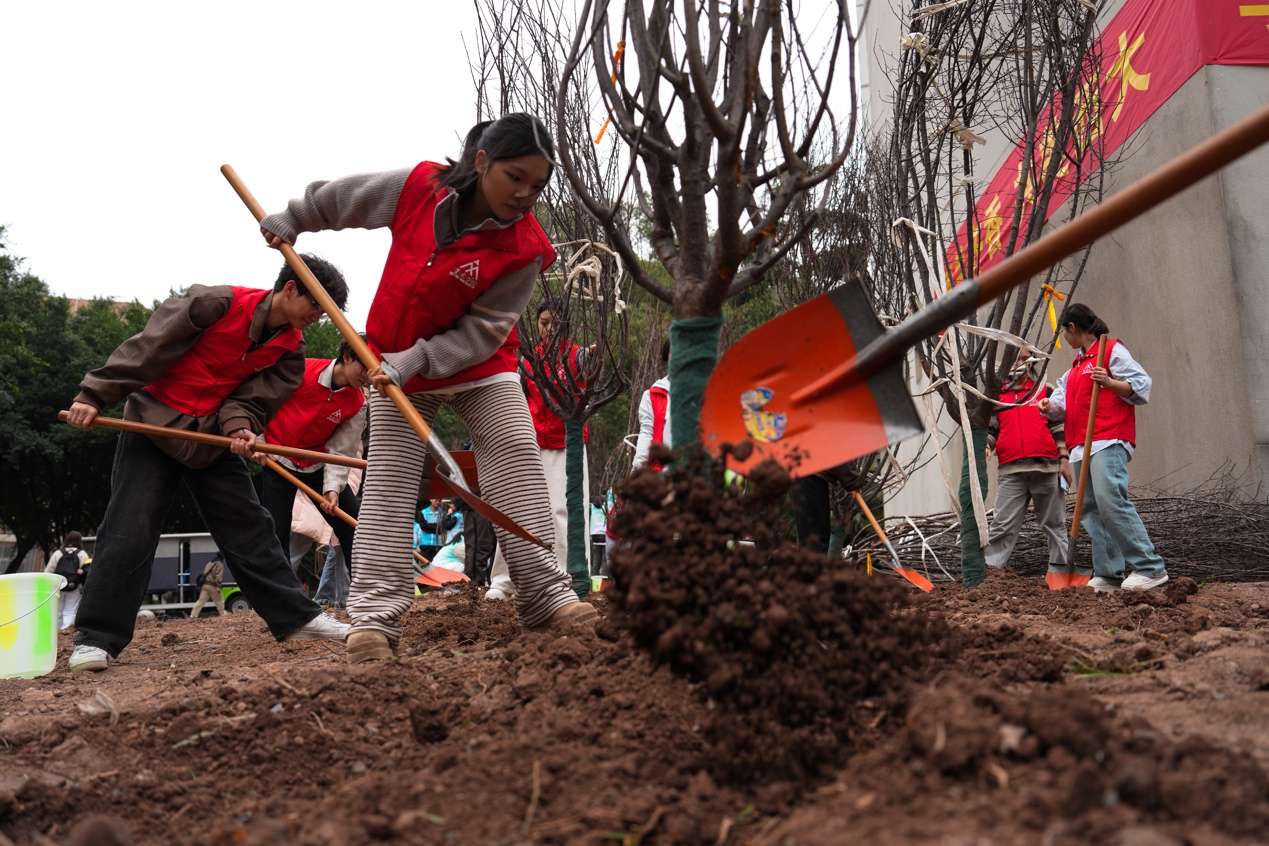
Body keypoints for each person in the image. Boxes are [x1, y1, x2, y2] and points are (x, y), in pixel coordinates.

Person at [260, 112, 598, 662]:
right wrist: (296, 218)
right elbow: (346, 198)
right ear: (482, 162)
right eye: (514, 177)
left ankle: (544, 593)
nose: (524, 194)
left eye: (537, 185)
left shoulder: (526, 248)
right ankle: (375, 617)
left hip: (477, 365)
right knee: (389, 481)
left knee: (514, 456)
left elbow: (486, 331)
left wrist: (417, 360)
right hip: (390, 365)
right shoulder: (418, 188)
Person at [63, 257, 353, 672]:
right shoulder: (212, 303)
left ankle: (298, 618)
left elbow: (251, 402)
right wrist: (93, 394)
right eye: (316, 305)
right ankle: (96, 638)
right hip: (153, 425)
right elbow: (148, 348)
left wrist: (240, 429)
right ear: (290, 289)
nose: (318, 317)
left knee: (250, 526)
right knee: (132, 526)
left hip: (209, 438)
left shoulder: (290, 352)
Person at [1039, 303, 1168, 592]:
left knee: (1111, 500)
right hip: (1080, 445)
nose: (1066, 339)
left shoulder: (1111, 352)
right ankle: (1109, 573)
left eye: (1065, 333)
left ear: (1072, 329)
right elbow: (1061, 403)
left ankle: (1150, 567)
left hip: (1108, 439)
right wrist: (1049, 406)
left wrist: (1109, 382)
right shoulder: (1075, 368)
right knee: (1091, 509)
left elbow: (1141, 386)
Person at [258, 337, 369, 574]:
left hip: (316, 462)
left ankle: (363, 589)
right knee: (275, 533)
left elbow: (341, 450)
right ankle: (285, 602)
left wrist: (332, 489)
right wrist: (258, 440)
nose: (367, 376)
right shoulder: (302, 370)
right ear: (348, 357)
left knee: (354, 527)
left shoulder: (358, 402)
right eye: (365, 367)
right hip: (277, 457)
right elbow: (261, 400)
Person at [984, 349, 1070, 578]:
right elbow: (992, 427)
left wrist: (1064, 459)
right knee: (1001, 526)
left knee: (1054, 524)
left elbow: (1058, 427)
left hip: (1047, 468)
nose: (1019, 363)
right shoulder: (997, 396)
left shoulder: (1045, 390)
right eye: (1014, 357)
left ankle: (1060, 576)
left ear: (1031, 360)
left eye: (1023, 358)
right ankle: (990, 575)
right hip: (1012, 471)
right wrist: (987, 446)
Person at [522, 301, 591, 573]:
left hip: (567, 445)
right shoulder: (528, 361)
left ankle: (567, 573)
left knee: (562, 511)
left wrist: (589, 360)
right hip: (533, 442)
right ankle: (510, 578)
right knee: (522, 510)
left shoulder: (577, 356)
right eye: (544, 322)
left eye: (555, 324)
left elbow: (588, 373)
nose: (549, 329)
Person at [631, 339, 672, 471]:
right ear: (667, 357)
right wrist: (638, 470)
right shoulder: (652, 395)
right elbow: (647, 434)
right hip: (660, 475)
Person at [44, 531, 90, 631]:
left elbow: (48, 571)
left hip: (57, 586)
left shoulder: (58, 553)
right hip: (74, 586)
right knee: (70, 609)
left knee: (57, 610)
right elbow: (86, 570)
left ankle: (54, 631)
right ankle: (66, 630)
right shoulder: (82, 554)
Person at [415, 498, 457, 563]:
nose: (438, 502)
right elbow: (424, 527)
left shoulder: (443, 513)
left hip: (439, 545)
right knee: (426, 568)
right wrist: (437, 527)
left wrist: (430, 526)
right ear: (431, 499)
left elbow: (444, 528)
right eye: (436, 500)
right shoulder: (423, 512)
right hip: (426, 545)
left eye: (439, 500)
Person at [190, 554, 227, 618]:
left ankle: (193, 615)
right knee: (219, 601)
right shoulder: (220, 564)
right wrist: (218, 586)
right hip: (212, 586)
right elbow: (218, 577)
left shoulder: (210, 563)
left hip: (205, 585)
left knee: (200, 601)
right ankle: (223, 615)